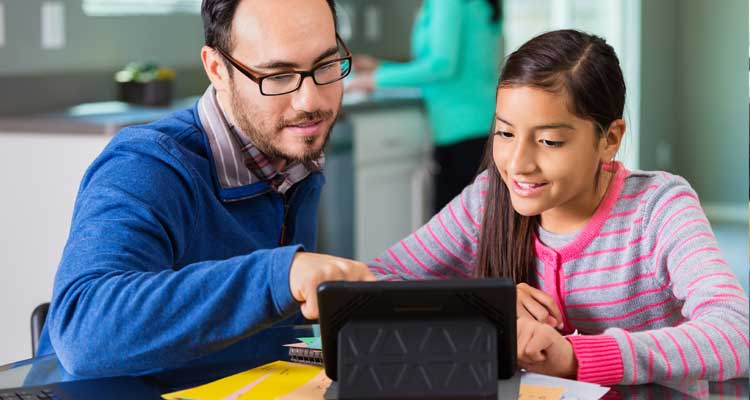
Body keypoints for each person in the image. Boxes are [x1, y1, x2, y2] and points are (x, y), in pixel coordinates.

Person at [369, 29, 749, 384]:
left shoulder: (657, 208)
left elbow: (736, 330)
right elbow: (376, 281)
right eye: (505, 133)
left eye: (550, 141)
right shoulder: (487, 199)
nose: (518, 163)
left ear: (609, 139)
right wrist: (481, 303)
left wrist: (576, 356)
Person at [36, 0, 375, 382]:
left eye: (326, 66)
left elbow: (266, 338)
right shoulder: (148, 165)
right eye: (278, 76)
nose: (310, 101)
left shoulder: (292, 157)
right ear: (217, 69)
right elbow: (85, 332)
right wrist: (279, 275)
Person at [346, 0, 502, 213]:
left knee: (455, 234)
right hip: (481, 125)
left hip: (461, 130)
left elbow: (440, 66)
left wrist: (372, 79)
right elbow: (456, 66)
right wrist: (381, 68)